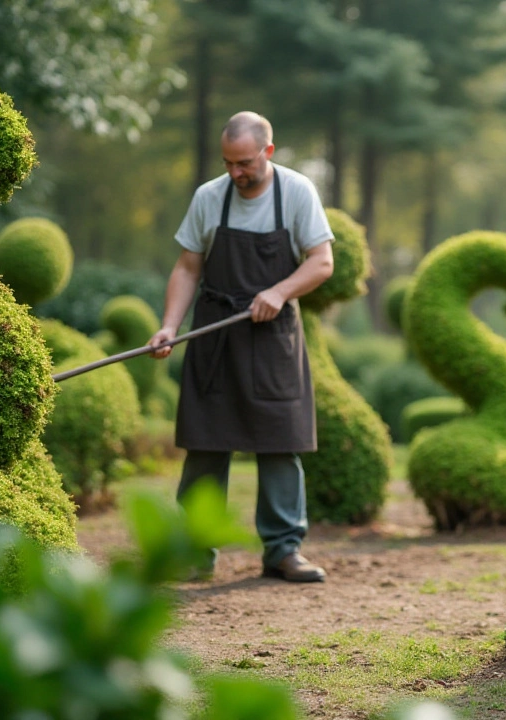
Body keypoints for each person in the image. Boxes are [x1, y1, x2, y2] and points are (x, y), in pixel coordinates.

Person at [149, 112, 334, 582]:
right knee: (206, 444)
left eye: (246, 162)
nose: (236, 172)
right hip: (214, 335)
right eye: (229, 163)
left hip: (272, 340)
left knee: (280, 444)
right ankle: (193, 551)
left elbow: (322, 262)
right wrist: (169, 326)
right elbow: (188, 267)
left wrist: (279, 291)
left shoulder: (296, 192)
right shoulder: (209, 197)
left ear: (268, 152)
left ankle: (283, 550)